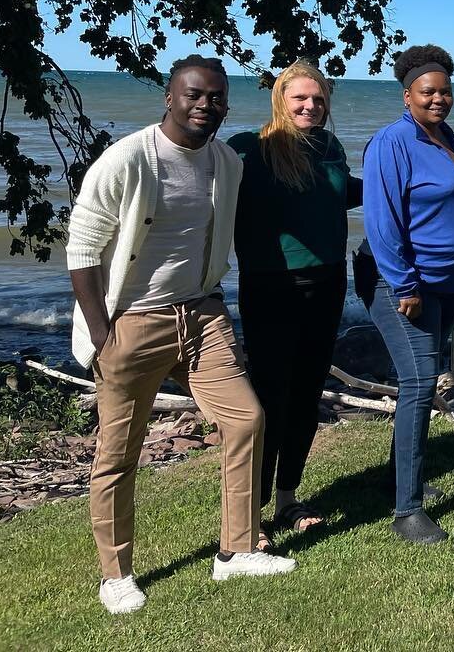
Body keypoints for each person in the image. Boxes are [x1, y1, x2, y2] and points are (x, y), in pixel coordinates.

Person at [68, 56, 294, 616]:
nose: (205, 105)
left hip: (201, 316)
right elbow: (82, 249)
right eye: (194, 95)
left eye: (216, 97)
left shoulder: (224, 161)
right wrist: (102, 334)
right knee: (118, 454)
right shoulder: (127, 159)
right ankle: (115, 574)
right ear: (169, 98)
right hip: (132, 324)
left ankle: (236, 549)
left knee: (246, 418)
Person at [229, 60, 361, 543]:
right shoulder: (250, 149)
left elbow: (336, 196)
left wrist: (412, 191)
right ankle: (251, 512)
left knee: (308, 393)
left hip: (328, 281)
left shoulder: (330, 146)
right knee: (268, 397)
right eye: (300, 98)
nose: (310, 106)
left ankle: (287, 497)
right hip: (271, 285)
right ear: (280, 99)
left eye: (319, 99)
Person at [363, 44, 454, 542]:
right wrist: (405, 284)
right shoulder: (391, 143)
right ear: (407, 94)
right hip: (403, 286)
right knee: (418, 384)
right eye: (428, 92)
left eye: (445, 91)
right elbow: (382, 221)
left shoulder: (445, 139)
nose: (439, 99)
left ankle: (399, 478)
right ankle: (406, 512)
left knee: (423, 379)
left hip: (448, 285)